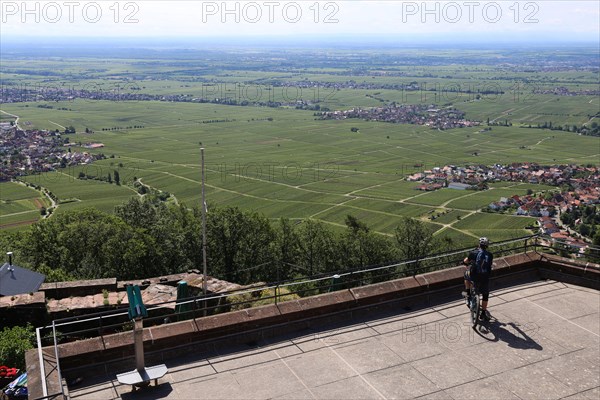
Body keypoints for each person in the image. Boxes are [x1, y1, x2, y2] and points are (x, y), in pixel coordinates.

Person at [462, 237, 493, 321]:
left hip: (474, 276)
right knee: (485, 295)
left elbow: (466, 261)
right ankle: (483, 313)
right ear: (487, 246)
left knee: (465, 275)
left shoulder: (473, 252)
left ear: (479, 244)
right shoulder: (490, 255)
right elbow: (489, 265)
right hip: (485, 277)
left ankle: (468, 292)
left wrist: (464, 263)